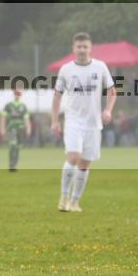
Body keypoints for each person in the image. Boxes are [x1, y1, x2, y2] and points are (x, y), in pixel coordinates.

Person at [51, 32, 116, 212]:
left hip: (93, 123)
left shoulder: (100, 67)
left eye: (85, 46)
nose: (82, 50)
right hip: (73, 121)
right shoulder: (65, 69)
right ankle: (63, 197)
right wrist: (55, 121)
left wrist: (108, 110)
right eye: (79, 46)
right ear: (73, 48)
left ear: (90, 48)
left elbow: (112, 91)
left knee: (85, 164)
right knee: (73, 157)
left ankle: (74, 201)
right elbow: (57, 96)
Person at [0, 88, 31, 172]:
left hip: (20, 129)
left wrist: (28, 128)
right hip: (11, 128)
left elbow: (26, 119)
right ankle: (11, 164)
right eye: (16, 93)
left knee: (17, 147)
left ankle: (14, 164)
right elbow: (3, 118)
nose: (17, 95)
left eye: (19, 94)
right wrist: (2, 129)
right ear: (13, 94)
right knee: (12, 144)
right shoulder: (8, 105)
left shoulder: (23, 106)